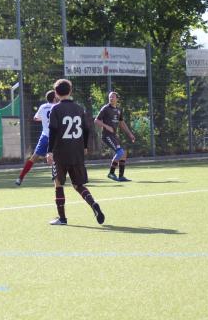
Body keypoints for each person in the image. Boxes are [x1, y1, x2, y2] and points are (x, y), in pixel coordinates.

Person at [46, 79, 105, 226]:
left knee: (58, 184)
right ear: (70, 91)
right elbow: (86, 129)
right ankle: (94, 204)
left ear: (56, 94)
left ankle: (62, 218)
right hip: (77, 151)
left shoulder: (55, 109)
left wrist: (49, 152)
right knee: (78, 185)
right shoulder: (79, 108)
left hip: (61, 152)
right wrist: (85, 146)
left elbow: (53, 131)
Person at [15, 90, 58, 186]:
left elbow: (35, 118)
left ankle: (20, 178)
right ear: (54, 98)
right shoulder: (57, 107)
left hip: (45, 135)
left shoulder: (42, 107)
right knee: (58, 157)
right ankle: (56, 177)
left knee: (34, 157)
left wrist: (44, 120)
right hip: (55, 136)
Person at [94, 91, 135, 182]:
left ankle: (121, 176)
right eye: (110, 97)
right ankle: (111, 173)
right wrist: (107, 126)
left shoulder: (118, 110)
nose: (111, 98)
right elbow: (96, 121)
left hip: (113, 135)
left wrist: (130, 134)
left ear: (117, 99)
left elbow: (122, 123)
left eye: (113, 97)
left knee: (123, 154)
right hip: (106, 135)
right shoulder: (105, 108)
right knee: (120, 152)